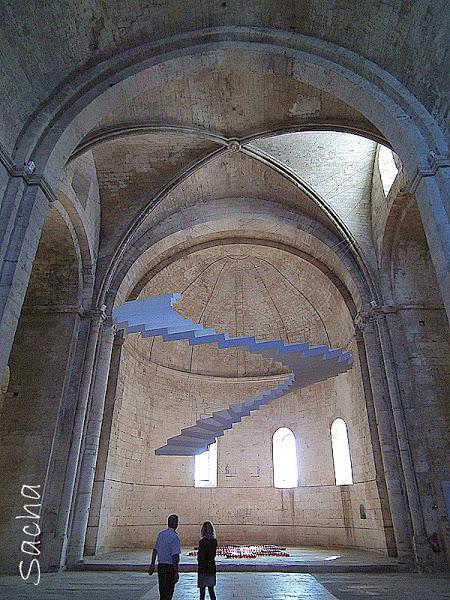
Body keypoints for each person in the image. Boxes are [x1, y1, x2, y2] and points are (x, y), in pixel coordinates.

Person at [149, 514, 181, 600]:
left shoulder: (161, 534)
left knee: (162, 592)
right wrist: (176, 572)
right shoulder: (175, 537)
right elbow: (175, 557)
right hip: (169, 568)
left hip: (161, 567)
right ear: (176, 524)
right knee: (169, 593)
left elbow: (155, 550)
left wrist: (152, 564)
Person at [197, 521, 218, 600]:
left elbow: (201, 556)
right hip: (211, 568)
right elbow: (212, 555)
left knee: (202, 593)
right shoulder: (214, 542)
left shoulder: (202, 542)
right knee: (211, 591)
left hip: (203, 568)